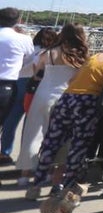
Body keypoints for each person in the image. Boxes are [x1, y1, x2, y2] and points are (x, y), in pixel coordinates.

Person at [24, 24, 103, 195]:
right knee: (78, 144)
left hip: (67, 97)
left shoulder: (96, 57)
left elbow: (72, 80)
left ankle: (35, 186)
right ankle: (67, 185)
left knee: (51, 142)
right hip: (87, 101)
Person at [17, 24, 84, 194]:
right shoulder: (79, 55)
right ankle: (52, 174)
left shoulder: (48, 53)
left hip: (43, 94)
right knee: (59, 139)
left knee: (33, 134)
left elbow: (36, 73)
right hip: (65, 97)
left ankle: (25, 174)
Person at [0, 8, 37, 168]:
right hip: (7, 83)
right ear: (18, 21)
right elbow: (30, 59)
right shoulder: (23, 39)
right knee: (5, 121)